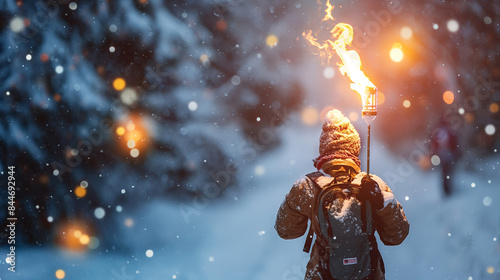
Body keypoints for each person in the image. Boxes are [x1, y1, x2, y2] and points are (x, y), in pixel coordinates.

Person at [275, 109, 409, 280]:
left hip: (323, 274)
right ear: (355, 149)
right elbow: (396, 236)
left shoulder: (307, 186)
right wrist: (381, 202)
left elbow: (286, 231)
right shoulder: (372, 184)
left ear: (323, 150)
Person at [430, 121, 459, 197]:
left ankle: (446, 190)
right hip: (448, 156)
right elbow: (454, 144)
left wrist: (434, 154)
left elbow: (434, 145)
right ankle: (448, 190)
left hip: (442, 156)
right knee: (448, 173)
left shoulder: (438, 133)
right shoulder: (450, 132)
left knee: (444, 174)